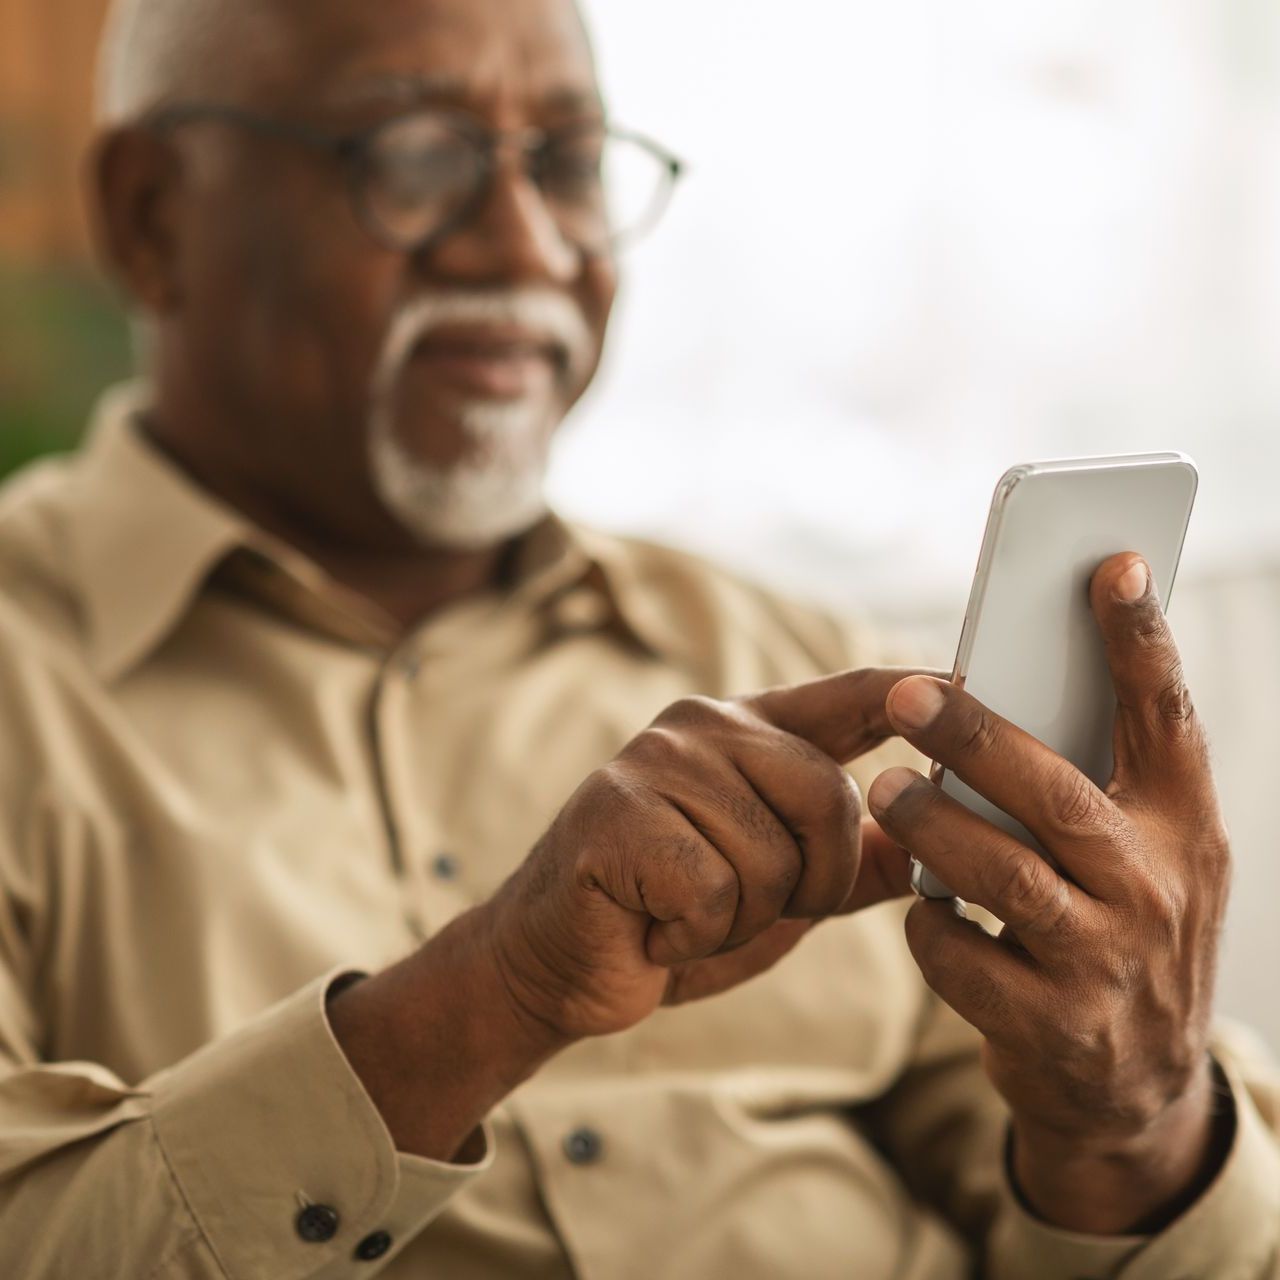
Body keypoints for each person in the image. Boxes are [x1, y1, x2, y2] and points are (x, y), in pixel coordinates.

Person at [1, 0, 1277, 1274]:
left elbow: (1079, 1187)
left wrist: (1135, 1119)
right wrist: (496, 992)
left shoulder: (791, 660)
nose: (523, 243)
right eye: (413, 157)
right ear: (153, 214)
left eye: (564, 164)